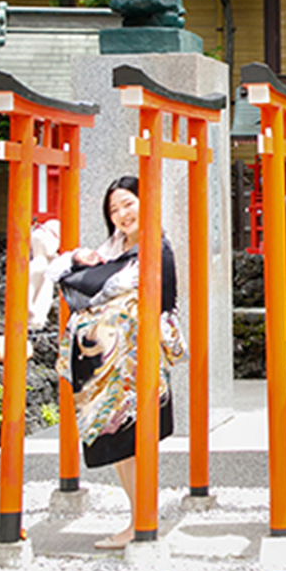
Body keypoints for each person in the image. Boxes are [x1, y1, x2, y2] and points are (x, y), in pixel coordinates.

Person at [50, 176, 179, 550]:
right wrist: (77, 259)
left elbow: (99, 288)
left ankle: (141, 519)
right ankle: (135, 515)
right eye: (114, 209)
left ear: (146, 202)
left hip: (134, 367)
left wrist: (88, 276)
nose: (122, 214)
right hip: (103, 372)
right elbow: (67, 277)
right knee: (118, 446)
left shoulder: (157, 248)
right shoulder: (111, 249)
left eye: (128, 203)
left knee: (134, 441)